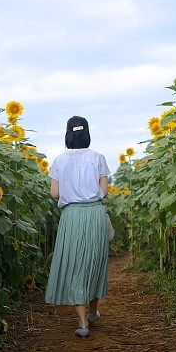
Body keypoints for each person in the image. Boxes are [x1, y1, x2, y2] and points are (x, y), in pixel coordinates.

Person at [44, 116, 111, 338]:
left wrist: (73, 195)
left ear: (68, 134)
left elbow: (54, 193)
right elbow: (104, 191)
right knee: (94, 261)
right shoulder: (98, 158)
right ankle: (93, 312)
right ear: (87, 133)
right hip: (95, 213)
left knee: (76, 264)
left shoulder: (60, 160)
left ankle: (83, 324)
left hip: (71, 216)